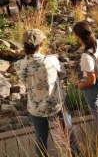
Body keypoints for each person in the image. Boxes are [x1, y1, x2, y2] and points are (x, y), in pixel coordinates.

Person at [14, 29, 79, 157]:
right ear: (41, 44)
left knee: (40, 136)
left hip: (35, 107)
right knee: (67, 130)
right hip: (56, 104)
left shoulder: (19, 65)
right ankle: (76, 154)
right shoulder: (51, 60)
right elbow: (63, 73)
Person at [73, 21, 98, 144]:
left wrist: (81, 86)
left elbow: (91, 80)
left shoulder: (86, 56)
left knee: (96, 109)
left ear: (78, 36)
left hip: (95, 86)